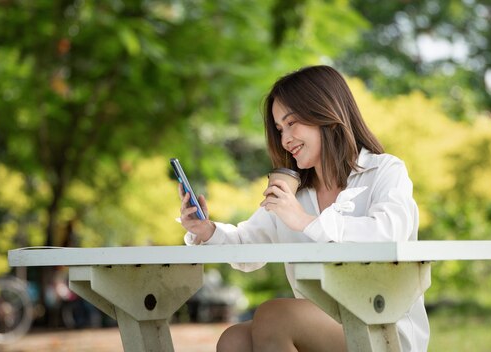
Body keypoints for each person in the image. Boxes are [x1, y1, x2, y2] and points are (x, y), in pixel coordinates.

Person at [178, 65, 429, 352]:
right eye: (279, 129)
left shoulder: (384, 170)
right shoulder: (295, 191)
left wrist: (306, 221)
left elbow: (387, 233)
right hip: (321, 325)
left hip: (384, 327)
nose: (285, 139)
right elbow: (247, 247)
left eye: (292, 123)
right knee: (234, 340)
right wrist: (206, 230)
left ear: (326, 113)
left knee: (275, 316)